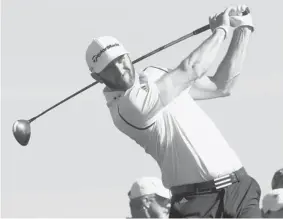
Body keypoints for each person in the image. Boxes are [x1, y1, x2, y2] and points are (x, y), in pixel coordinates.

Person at [85, 4, 260, 218]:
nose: (121, 70)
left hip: (239, 189)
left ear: (128, 55)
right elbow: (191, 68)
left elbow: (221, 86)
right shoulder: (126, 107)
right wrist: (221, 31)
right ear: (97, 78)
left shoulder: (154, 74)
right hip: (196, 205)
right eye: (109, 69)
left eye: (121, 60)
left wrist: (243, 30)